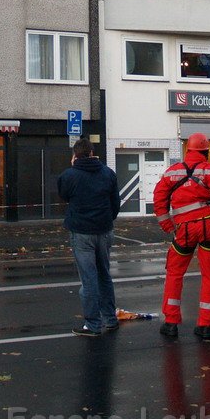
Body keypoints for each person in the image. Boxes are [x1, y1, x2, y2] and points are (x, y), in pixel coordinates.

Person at [153, 132, 210, 341]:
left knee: (174, 273)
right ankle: (205, 325)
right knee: (209, 275)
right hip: (208, 226)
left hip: (183, 230)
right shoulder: (208, 169)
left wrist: (166, 223)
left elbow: (159, 197)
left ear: (188, 150)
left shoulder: (171, 172)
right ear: (205, 151)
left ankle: (171, 322)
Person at [58, 138, 121, 337]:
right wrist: (106, 220)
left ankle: (92, 325)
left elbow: (64, 196)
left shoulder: (69, 175)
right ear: (93, 153)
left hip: (82, 232)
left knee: (89, 279)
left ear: (75, 155)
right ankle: (110, 319)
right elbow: (115, 203)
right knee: (104, 274)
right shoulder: (108, 173)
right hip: (104, 231)